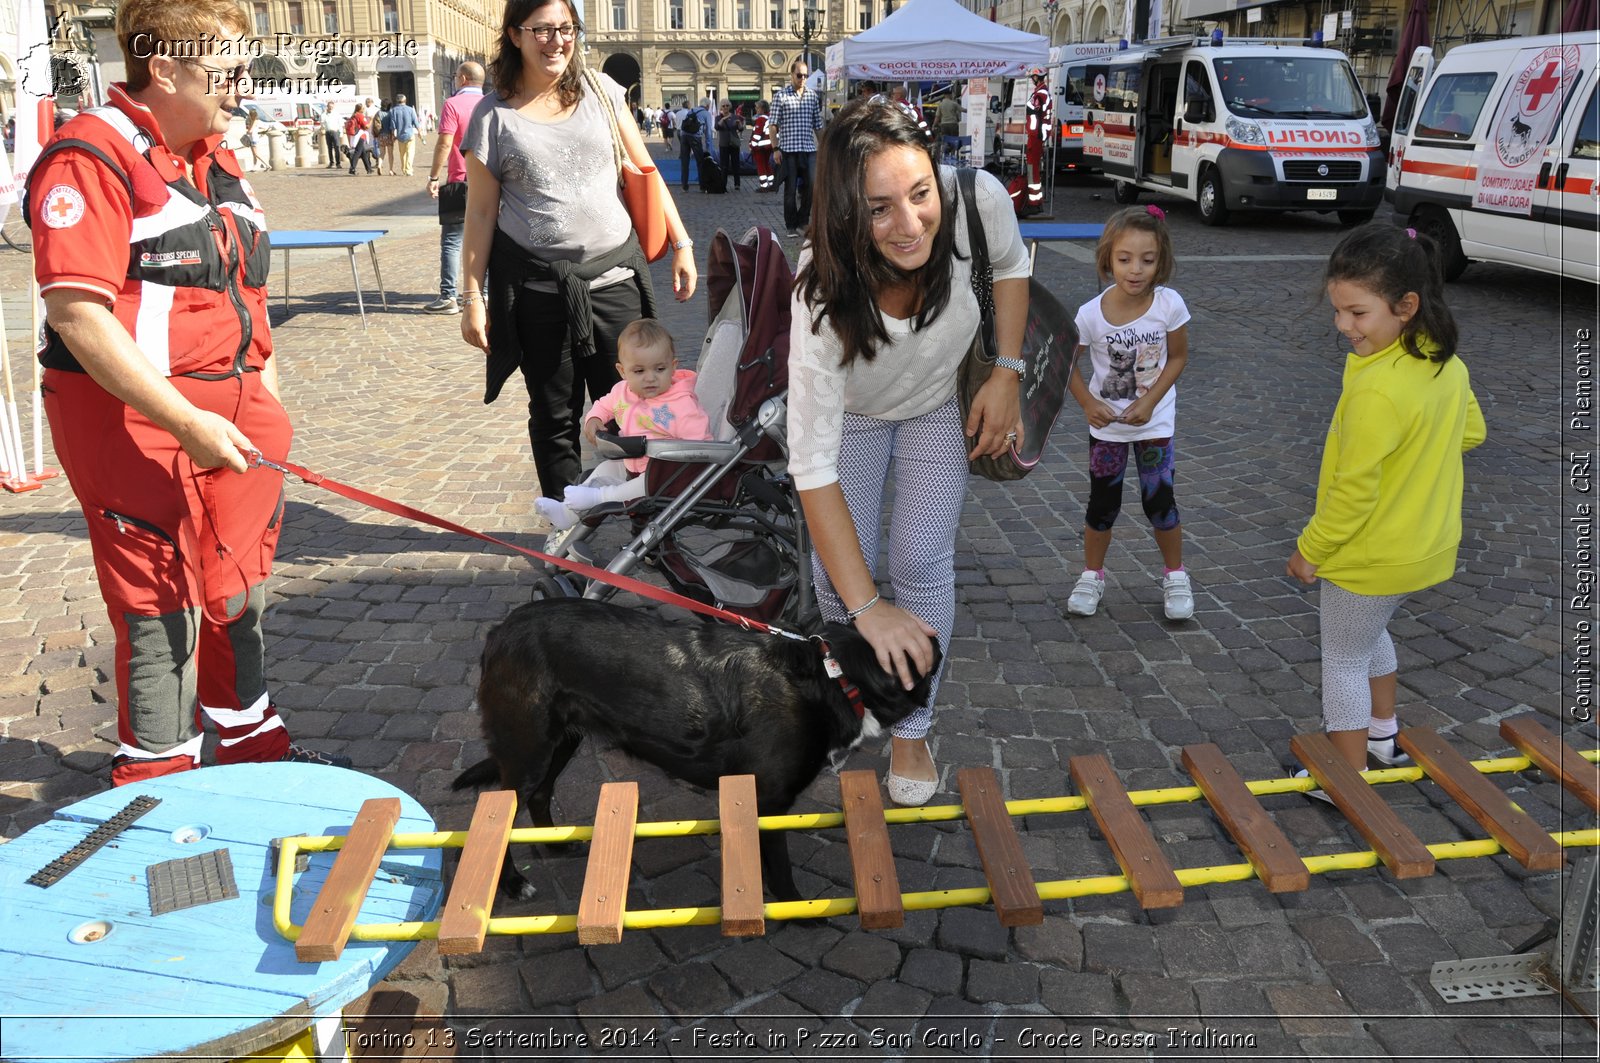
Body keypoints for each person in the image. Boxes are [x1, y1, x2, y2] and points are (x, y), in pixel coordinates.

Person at [26, 0, 348, 784]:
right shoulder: (89, 158)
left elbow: (250, 295)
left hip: (234, 420)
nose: (241, 81)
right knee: (158, 601)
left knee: (239, 587)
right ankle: (156, 780)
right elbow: (77, 316)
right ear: (163, 68)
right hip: (137, 422)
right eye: (224, 67)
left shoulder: (218, 158)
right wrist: (187, 419)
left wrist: (266, 404)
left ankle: (249, 749)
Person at [789, 99, 1028, 806]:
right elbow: (812, 467)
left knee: (920, 560)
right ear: (844, 212)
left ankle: (913, 725)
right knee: (841, 579)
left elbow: (1011, 266)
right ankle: (846, 704)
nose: (910, 222)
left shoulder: (977, 200)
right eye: (880, 208)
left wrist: (1007, 372)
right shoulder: (820, 293)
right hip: (855, 418)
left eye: (919, 193)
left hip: (934, 406)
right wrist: (868, 608)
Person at [459, 0, 698, 500]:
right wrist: (472, 298)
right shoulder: (492, 115)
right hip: (539, 294)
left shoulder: (602, 91)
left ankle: (645, 529)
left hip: (614, 283)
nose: (557, 40)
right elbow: (480, 214)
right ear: (515, 35)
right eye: (542, 30)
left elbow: (644, 172)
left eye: (565, 28)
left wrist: (682, 242)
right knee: (554, 418)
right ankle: (568, 528)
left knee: (641, 409)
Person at [1289, 224, 1485, 779]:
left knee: (1344, 659)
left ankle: (1344, 781)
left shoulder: (1378, 387)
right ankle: (1380, 737)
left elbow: (1353, 493)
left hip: (1369, 554)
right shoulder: (1444, 361)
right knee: (1369, 635)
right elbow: (1470, 433)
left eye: (1357, 313)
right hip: (1422, 546)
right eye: (1338, 310)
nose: (1342, 326)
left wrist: (1311, 548)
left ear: (1406, 305)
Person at [1064, 206, 1194, 622]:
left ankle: (1175, 574)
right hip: (1108, 431)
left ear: (1162, 260)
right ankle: (1091, 574)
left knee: (1161, 503)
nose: (1136, 270)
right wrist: (1088, 403)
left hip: (1154, 426)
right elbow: (1066, 362)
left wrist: (1151, 400)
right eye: (1125, 259)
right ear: (1107, 258)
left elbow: (1177, 358)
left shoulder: (1169, 305)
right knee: (1102, 506)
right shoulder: (1089, 314)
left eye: (1148, 259)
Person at [534, 318, 711, 529]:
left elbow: (702, 444)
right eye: (639, 371)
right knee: (604, 469)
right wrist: (594, 419)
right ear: (622, 371)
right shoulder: (623, 391)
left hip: (666, 476)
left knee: (634, 488)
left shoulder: (681, 404)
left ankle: (599, 498)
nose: (650, 378)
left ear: (673, 367)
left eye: (659, 369)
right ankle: (567, 513)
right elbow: (604, 405)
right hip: (632, 462)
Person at [425, 61, 486, 315]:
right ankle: (485, 294)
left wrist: (433, 176)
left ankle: (449, 296)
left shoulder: (452, 104)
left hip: (460, 179)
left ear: (461, 79)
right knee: (489, 239)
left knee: (452, 239)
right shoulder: (493, 103)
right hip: (490, 181)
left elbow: (444, 142)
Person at [771, 59, 824, 238]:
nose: (803, 78)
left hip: (808, 148)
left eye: (805, 75)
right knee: (790, 189)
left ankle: (803, 221)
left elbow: (818, 125)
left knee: (812, 185)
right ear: (791, 75)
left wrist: (823, 147)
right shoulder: (780, 96)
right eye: (799, 75)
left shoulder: (812, 96)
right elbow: (773, 125)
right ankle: (791, 225)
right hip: (788, 149)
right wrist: (775, 148)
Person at [1023, 66, 1053, 215]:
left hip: (1035, 138)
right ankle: (1037, 202)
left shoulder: (1039, 95)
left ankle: (1034, 203)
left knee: (1032, 170)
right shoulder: (1044, 93)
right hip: (1039, 137)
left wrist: (1032, 134)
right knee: (1034, 170)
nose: (1032, 80)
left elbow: (1034, 118)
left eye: (1033, 77)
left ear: (1037, 77)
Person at [678, 96, 711, 192]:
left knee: (685, 161)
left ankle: (684, 185)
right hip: (695, 137)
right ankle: (702, 186)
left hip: (684, 136)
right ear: (707, 105)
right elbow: (708, 132)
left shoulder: (691, 110)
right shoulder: (706, 114)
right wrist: (709, 147)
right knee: (700, 161)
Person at [388, 92, 420, 176]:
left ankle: (404, 168)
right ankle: (408, 169)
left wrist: (392, 135)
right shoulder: (410, 109)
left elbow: (392, 125)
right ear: (405, 100)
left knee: (402, 153)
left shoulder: (393, 111)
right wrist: (419, 132)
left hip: (400, 135)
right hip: (409, 134)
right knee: (410, 152)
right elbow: (416, 122)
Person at [715, 99, 743, 191]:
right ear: (721, 107)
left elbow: (741, 129)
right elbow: (717, 127)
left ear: (730, 106)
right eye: (723, 106)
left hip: (734, 143)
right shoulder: (718, 118)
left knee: (736, 164)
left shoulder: (735, 116)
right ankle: (723, 184)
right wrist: (723, 119)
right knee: (724, 165)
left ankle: (737, 184)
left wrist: (739, 124)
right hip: (724, 144)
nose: (725, 107)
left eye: (727, 105)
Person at [749, 99, 775, 191]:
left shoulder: (760, 119)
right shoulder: (770, 117)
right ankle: (772, 184)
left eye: (757, 107)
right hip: (769, 145)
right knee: (767, 165)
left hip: (760, 147)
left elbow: (757, 134)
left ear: (762, 109)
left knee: (761, 165)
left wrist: (752, 145)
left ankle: (763, 186)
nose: (756, 109)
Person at [345, 102, 375, 174]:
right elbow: (366, 126)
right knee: (357, 152)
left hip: (356, 135)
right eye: (363, 108)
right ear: (360, 109)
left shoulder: (354, 115)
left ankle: (368, 168)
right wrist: (371, 120)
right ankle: (352, 168)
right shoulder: (360, 116)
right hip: (360, 135)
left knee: (363, 152)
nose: (364, 110)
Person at [320, 99, 345, 167]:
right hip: (328, 132)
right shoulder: (324, 114)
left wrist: (341, 133)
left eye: (332, 106)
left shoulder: (336, 114)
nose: (330, 108)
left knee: (337, 147)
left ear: (333, 107)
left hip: (335, 131)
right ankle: (331, 162)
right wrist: (324, 113)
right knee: (329, 148)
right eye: (329, 106)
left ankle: (338, 163)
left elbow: (341, 123)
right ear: (327, 107)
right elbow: (322, 122)